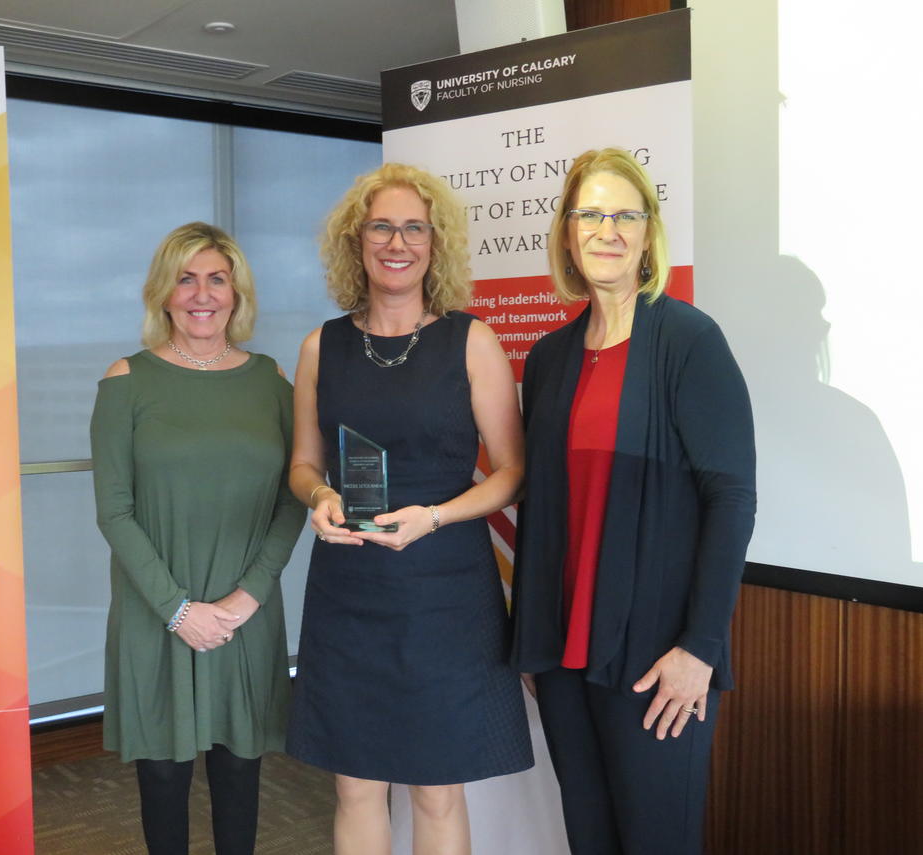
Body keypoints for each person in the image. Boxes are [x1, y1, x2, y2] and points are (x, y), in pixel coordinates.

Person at [511, 148, 756, 854]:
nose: (606, 229)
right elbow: (546, 507)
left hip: (658, 659)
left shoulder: (689, 340)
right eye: (591, 213)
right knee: (589, 838)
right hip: (563, 655)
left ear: (649, 233)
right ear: (567, 231)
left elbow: (732, 499)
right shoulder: (550, 356)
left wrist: (699, 650)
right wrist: (533, 635)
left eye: (626, 214)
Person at [286, 163, 533, 855]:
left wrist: (437, 515)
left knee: (436, 785)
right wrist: (322, 494)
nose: (398, 242)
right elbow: (302, 464)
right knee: (356, 784)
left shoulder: (472, 341)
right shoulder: (320, 346)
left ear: (436, 242)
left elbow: (513, 473)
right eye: (382, 226)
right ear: (355, 241)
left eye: (413, 227)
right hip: (349, 590)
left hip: (446, 594)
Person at [89, 222, 305, 855]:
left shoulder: (271, 381)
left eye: (217, 279)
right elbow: (114, 512)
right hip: (156, 614)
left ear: (236, 294)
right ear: (163, 291)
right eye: (186, 278)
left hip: (246, 611)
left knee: (240, 770)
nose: (202, 294)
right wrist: (178, 610)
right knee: (162, 775)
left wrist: (246, 599)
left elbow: (294, 497)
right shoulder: (126, 379)